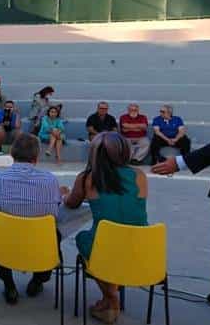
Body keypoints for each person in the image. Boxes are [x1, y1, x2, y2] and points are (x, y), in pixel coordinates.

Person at [64, 132, 148, 324]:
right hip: (139, 246)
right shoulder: (139, 175)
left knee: (84, 239)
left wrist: (65, 194)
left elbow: (71, 203)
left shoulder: (87, 178)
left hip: (105, 247)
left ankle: (111, 298)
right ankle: (109, 298)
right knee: (112, 242)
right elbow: (130, 208)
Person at [0, 133, 68, 304]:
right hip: (39, 243)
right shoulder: (50, 180)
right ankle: (38, 280)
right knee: (55, 234)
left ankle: (9, 285)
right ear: (36, 157)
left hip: (6, 244)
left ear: (12, 154)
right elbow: (55, 211)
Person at [152, 67, 210, 188]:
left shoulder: (177, 119)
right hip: (164, 139)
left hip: (174, 139)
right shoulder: (157, 119)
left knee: (185, 141)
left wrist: (181, 162)